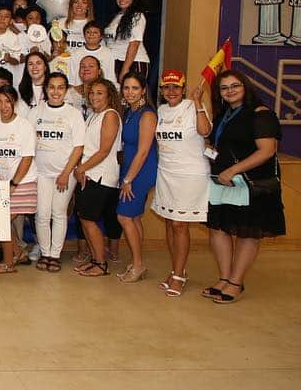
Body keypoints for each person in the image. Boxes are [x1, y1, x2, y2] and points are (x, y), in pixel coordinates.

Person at [202, 70, 285, 304]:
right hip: (222, 180)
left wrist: (233, 170)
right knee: (219, 228)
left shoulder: (261, 114)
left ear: (245, 87)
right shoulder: (224, 114)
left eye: (234, 86)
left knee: (247, 231)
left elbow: (267, 150)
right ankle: (224, 277)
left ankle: (236, 282)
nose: (230, 91)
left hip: (249, 182)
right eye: (224, 88)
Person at [151, 70, 211, 297]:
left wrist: (197, 102)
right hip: (166, 173)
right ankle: (178, 269)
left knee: (179, 225)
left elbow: (205, 131)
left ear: (183, 88)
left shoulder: (191, 106)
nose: (171, 91)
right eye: (167, 87)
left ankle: (178, 276)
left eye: (176, 87)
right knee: (169, 222)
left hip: (190, 175)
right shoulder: (161, 110)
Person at [30, 73, 85, 272]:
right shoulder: (36, 112)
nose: (56, 92)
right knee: (42, 214)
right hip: (41, 173)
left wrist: (65, 173)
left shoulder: (73, 114)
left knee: (59, 213)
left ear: (66, 90)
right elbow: (26, 137)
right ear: (46, 89)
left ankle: (55, 254)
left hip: (65, 173)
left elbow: (78, 148)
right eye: (52, 87)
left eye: (60, 87)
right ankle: (45, 253)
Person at [0, 85, 38, 274]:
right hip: (2, 183)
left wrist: (13, 183)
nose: (3, 105)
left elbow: (27, 158)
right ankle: (18, 253)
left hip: (23, 182)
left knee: (2, 221)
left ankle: (8, 264)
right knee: (1, 219)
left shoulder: (24, 126)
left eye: (7, 101)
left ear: (14, 102)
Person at [72, 79, 122, 277]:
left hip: (101, 175)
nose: (94, 97)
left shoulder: (110, 116)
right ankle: (95, 259)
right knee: (84, 219)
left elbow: (104, 151)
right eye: (92, 93)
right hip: (89, 173)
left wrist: (81, 168)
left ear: (109, 95)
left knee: (89, 220)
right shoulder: (94, 115)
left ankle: (101, 264)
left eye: (100, 93)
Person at [114, 73, 158, 283]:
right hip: (129, 169)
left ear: (143, 90)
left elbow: (143, 151)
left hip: (139, 171)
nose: (130, 92)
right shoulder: (130, 112)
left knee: (124, 217)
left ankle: (138, 265)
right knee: (134, 217)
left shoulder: (147, 115)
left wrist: (128, 179)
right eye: (126, 88)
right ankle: (137, 261)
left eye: (134, 88)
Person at [103, 0, 150, 80]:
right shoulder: (116, 16)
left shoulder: (137, 16)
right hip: (114, 61)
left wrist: (125, 69)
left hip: (133, 63)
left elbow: (134, 43)